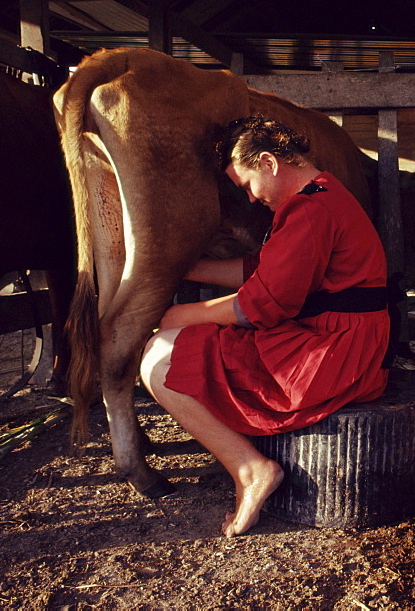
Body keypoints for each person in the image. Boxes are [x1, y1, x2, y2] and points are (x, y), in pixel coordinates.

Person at [140, 116, 391, 537]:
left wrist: (179, 315)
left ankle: (250, 469)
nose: (252, 200)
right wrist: (189, 269)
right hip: (343, 339)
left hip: (335, 350)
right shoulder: (321, 195)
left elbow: (264, 304)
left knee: (159, 360)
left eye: (247, 185)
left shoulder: (310, 209)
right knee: (173, 347)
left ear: (269, 162)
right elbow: (265, 270)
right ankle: (249, 464)